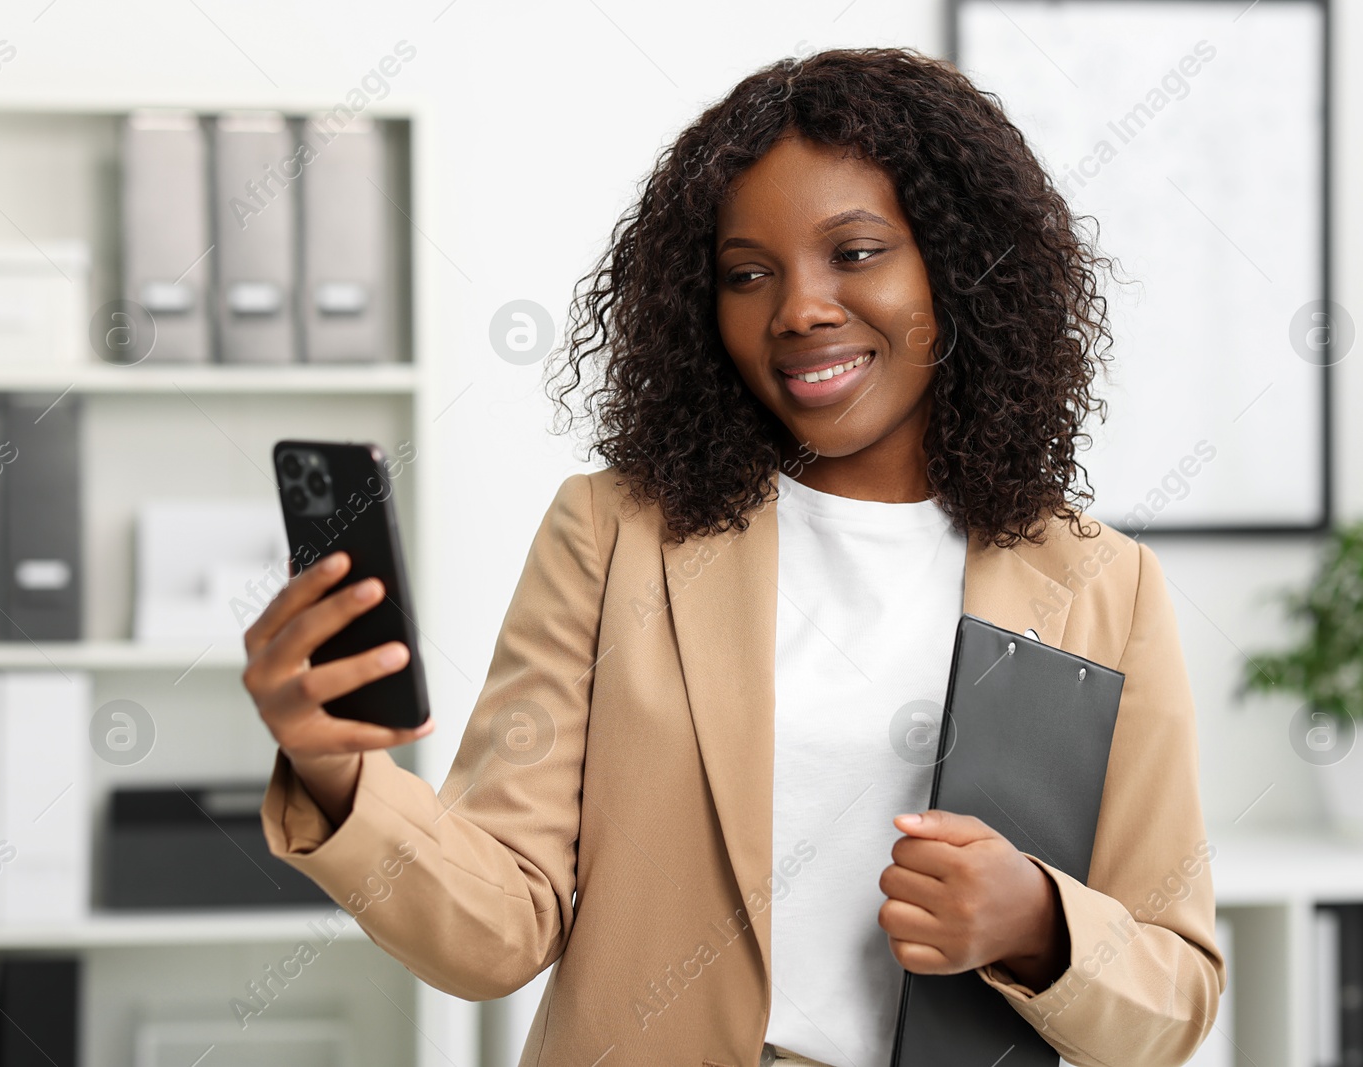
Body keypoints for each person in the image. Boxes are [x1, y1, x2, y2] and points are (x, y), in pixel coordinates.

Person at [244, 46, 1225, 1067]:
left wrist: (1038, 921)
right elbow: (502, 926)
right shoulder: (612, 533)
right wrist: (336, 770)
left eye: (854, 253)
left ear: (959, 263)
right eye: (747, 273)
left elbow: (1175, 998)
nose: (797, 307)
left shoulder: (1103, 584)